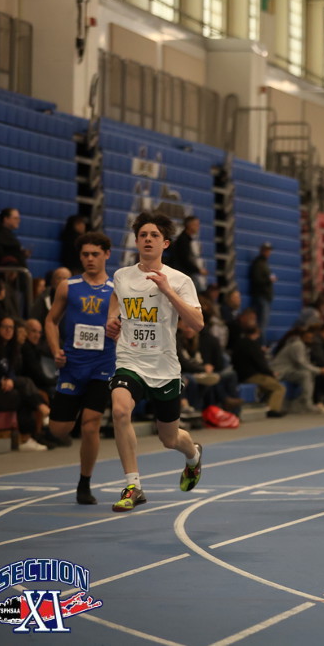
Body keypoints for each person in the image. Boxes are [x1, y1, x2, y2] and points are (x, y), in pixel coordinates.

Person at [105, 212, 204, 513]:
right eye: (143, 235)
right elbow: (116, 301)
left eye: (154, 235)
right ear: (136, 241)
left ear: (165, 243)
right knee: (120, 410)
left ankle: (193, 455)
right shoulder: (122, 276)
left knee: (169, 439)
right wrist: (112, 320)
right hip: (130, 359)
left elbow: (197, 323)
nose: (148, 239)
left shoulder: (180, 280)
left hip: (164, 367)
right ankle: (133, 485)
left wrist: (167, 291)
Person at [45, 232, 117, 503]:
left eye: (95, 254)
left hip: (103, 365)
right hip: (72, 365)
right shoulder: (68, 286)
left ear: (106, 254)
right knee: (58, 430)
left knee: (90, 425)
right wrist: (56, 351)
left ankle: (84, 484)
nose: (89, 259)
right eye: (85, 254)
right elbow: (51, 321)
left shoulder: (117, 289)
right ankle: (69, 411)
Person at [0, 316, 51, 451]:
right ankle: (27, 435)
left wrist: (10, 379)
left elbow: (10, 371)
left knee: (24, 386)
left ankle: (29, 435)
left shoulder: (9, 348)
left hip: (0, 389)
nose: (8, 330)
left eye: (11, 327)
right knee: (21, 395)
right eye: (5, 327)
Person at [231, 313, 287, 417]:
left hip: (241, 374)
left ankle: (266, 404)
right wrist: (271, 373)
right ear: (257, 332)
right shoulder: (253, 346)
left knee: (270, 384)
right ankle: (273, 409)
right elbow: (261, 364)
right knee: (279, 387)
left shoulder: (239, 343)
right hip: (251, 375)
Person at [270, 324, 324, 414]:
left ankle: (305, 402)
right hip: (280, 372)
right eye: (309, 337)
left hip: (289, 371)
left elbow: (305, 363)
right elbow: (301, 363)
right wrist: (319, 370)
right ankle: (307, 404)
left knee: (309, 374)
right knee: (306, 375)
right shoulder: (297, 345)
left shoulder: (304, 346)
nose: (312, 339)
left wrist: (317, 371)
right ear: (303, 336)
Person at [169, 215, 208, 292]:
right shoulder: (183, 240)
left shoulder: (186, 239)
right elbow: (184, 260)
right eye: (196, 224)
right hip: (181, 273)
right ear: (189, 225)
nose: (198, 227)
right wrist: (198, 270)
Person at [249, 242, 275, 338]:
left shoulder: (264, 263)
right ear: (262, 250)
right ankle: (260, 343)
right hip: (261, 296)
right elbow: (257, 279)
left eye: (269, 250)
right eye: (266, 250)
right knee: (262, 324)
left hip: (265, 296)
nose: (268, 252)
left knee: (263, 323)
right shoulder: (258, 263)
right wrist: (269, 280)